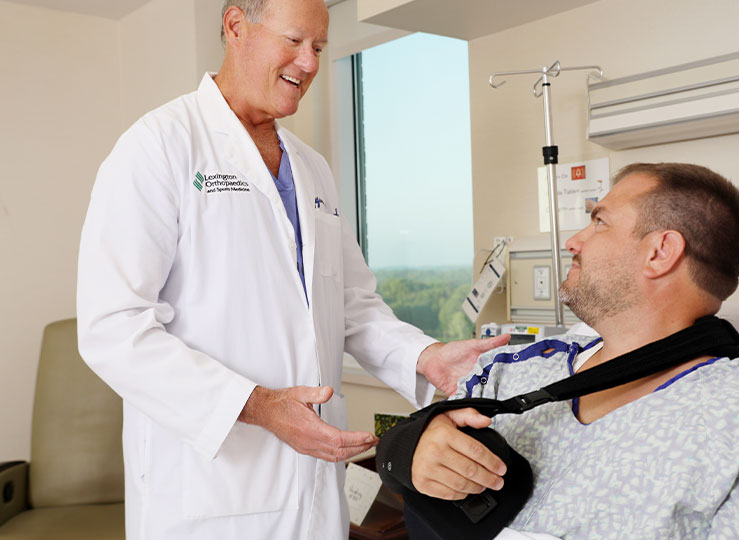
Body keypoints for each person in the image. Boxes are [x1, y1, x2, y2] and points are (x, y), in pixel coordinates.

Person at [76, 0, 508, 538]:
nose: (308, 63)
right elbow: (112, 327)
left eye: (320, 48)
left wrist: (424, 356)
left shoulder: (312, 167)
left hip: (313, 491)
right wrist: (259, 406)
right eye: (294, 41)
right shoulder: (159, 147)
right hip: (211, 492)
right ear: (236, 26)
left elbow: (349, 303)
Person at [400, 163, 739, 538]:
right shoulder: (514, 366)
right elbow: (403, 438)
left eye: (599, 221)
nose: (573, 241)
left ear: (660, 252)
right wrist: (408, 452)